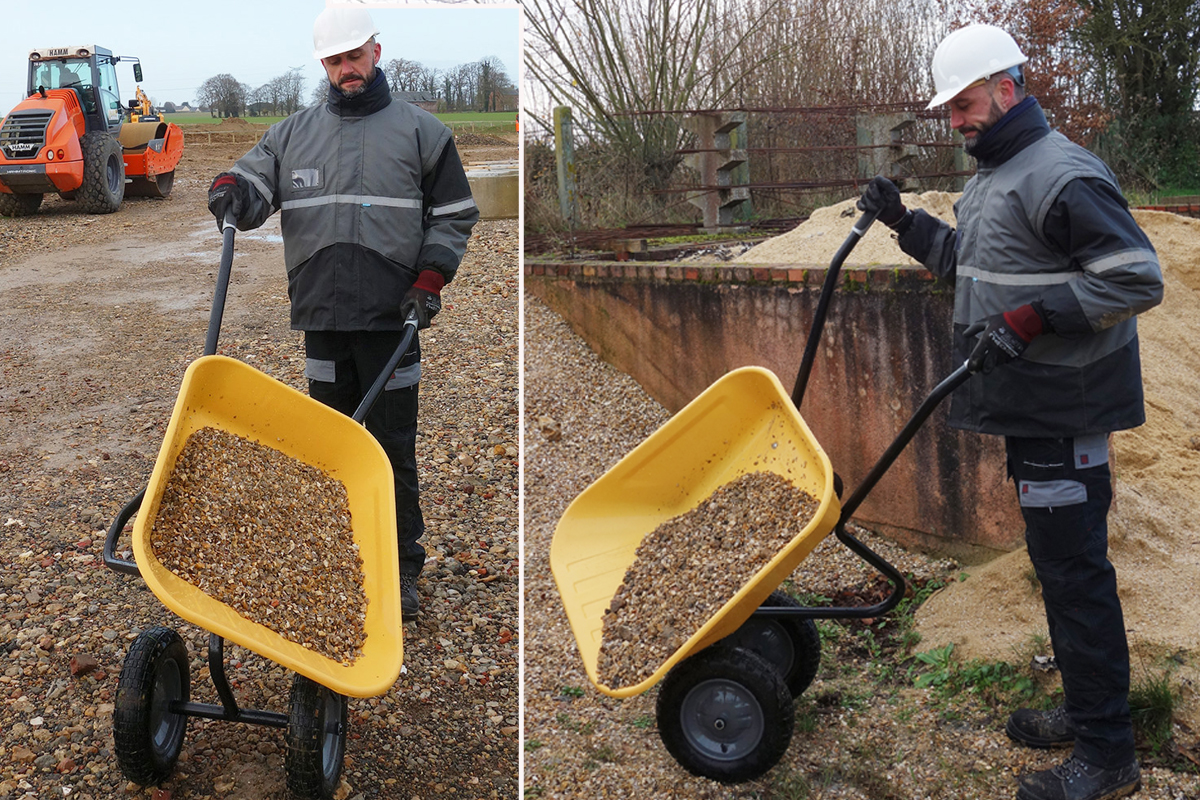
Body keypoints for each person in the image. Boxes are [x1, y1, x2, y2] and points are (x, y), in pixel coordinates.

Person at [857, 23, 1163, 800]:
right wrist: (903, 222)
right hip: (1028, 409)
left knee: (1076, 575)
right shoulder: (996, 175)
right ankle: (1085, 708)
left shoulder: (1063, 175)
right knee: (1058, 568)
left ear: (1006, 86)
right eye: (950, 111)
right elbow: (973, 268)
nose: (956, 122)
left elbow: (1135, 279)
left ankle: (1108, 753)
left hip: (1067, 409)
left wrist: (1032, 319)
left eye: (964, 105)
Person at [206, 6, 479, 620]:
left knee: (390, 446)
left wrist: (431, 279)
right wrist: (230, 189)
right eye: (334, 60)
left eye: (354, 56)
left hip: (393, 321)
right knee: (330, 445)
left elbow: (454, 213)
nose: (346, 69)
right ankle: (341, 558)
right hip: (323, 319)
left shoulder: (422, 133)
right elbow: (251, 186)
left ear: (376, 52)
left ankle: (400, 567)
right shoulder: (291, 134)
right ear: (323, 64)